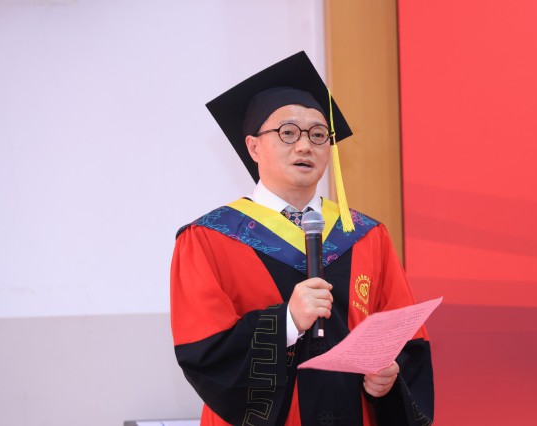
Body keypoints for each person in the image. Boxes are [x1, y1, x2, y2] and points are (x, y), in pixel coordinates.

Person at [170, 51, 434, 426]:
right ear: (253, 146)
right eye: (288, 132)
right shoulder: (208, 239)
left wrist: (389, 379)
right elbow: (205, 353)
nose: (305, 145)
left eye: (318, 134)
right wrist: (287, 321)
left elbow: (406, 340)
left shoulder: (366, 235)